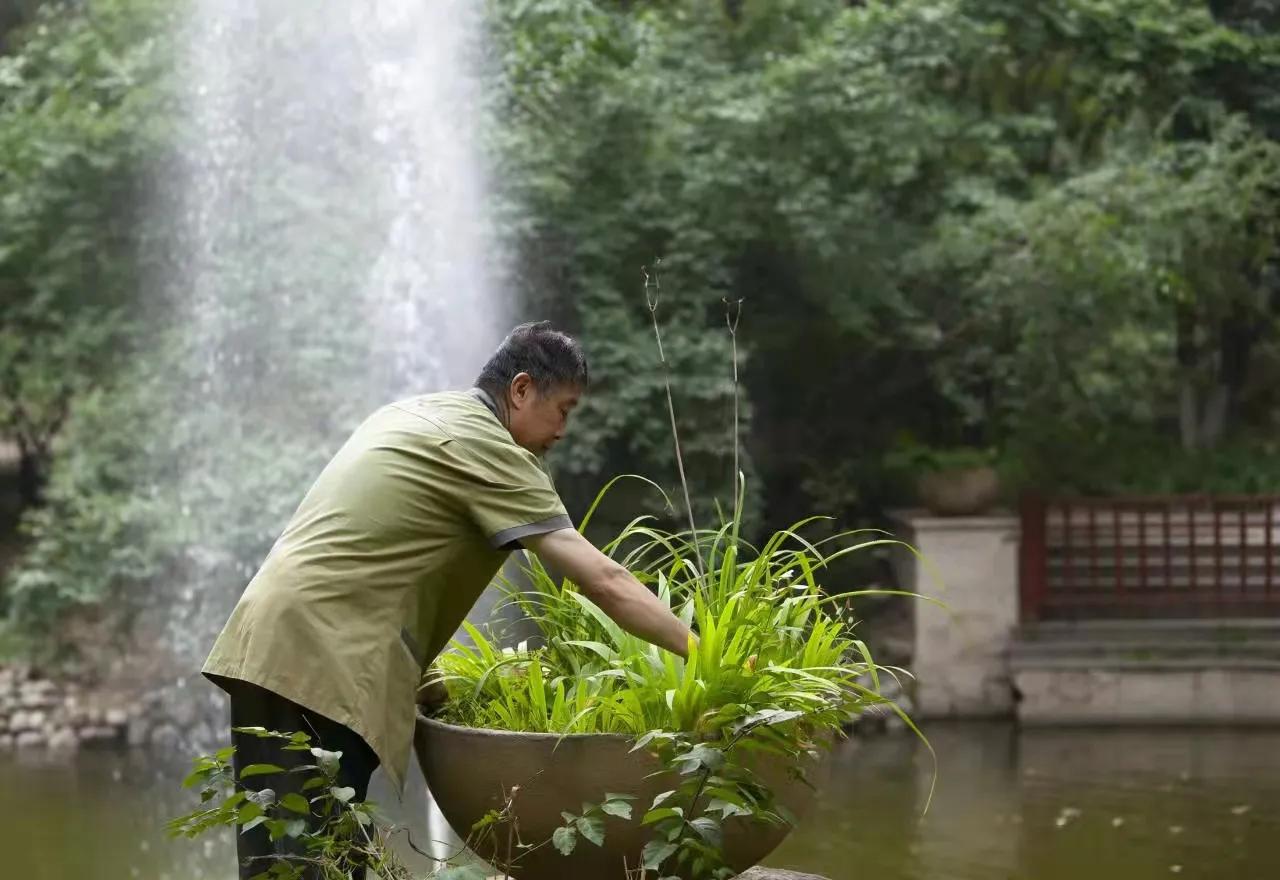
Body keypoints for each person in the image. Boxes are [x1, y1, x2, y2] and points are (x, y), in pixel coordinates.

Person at [201, 321, 693, 879]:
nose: (564, 429)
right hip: (323, 655)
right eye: (565, 409)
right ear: (522, 389)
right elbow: (602, 580)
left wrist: (435, 683)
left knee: (297, 847)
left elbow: (375, 566)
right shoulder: (487, 444)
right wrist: (702, 653)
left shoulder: (416, 414)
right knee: (305, 859)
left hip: (274, 638)